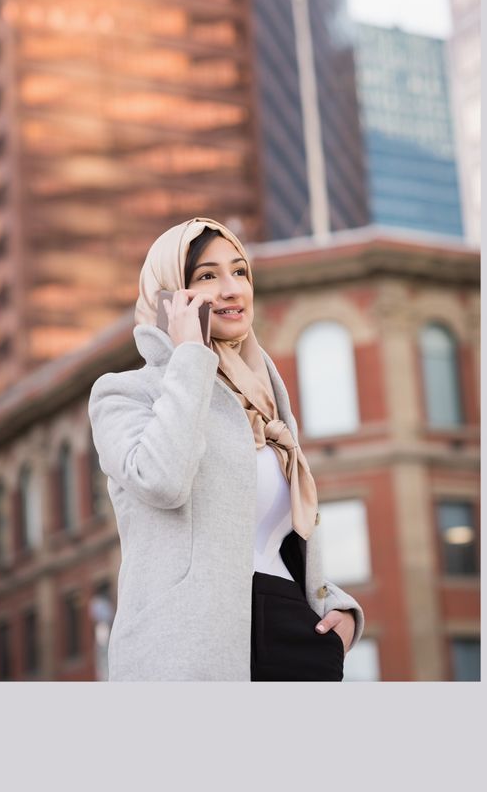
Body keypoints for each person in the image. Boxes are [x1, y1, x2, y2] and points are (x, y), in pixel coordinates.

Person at [89, 217, 363, 680]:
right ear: (169, 295)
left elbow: (272, 541)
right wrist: (191, 356)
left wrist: (339, 613)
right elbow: (163, 481)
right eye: (207, 276)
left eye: (240, 272)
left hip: (294, 641)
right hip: (187, 649)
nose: (232, 289)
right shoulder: (124, 393)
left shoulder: (266, 401)